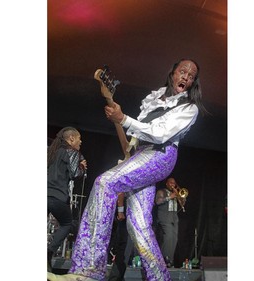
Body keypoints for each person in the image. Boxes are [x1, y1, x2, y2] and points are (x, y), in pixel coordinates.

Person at [47, 58, 207, 281]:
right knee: (138, 224)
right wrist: (128, 147)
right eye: (183, 72)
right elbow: (135, 137)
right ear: (173, 73)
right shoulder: (153, 98)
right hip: (141, 154)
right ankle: (159, 278)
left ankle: (88, 270)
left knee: (105, 183)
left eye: (191, 76)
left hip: (161, 155)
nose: (186, 77)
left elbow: (159, 134)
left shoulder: (189, 108)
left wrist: (123, 118)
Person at [47, 127, 87, 272]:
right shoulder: (72, 152)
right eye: (78, 138)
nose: (80, 141)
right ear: (71, 139)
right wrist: (82, 167)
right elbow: (75, 174)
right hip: (57, 195)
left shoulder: (51, 151)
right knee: (67, 223)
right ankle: (48, 253)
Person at [155, 177, 185, 268]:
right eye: (171, 183)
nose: (173, 184)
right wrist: (169, 197)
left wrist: (181, 199)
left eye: (174, 183)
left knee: (174, 239)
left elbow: (182, 205)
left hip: (174, 218)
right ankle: (163, 259)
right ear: (167, 184)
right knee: (168, 237)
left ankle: (169, 260)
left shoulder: (176, 194)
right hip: (164, 218)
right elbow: (157, 202)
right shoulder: (161, 192)